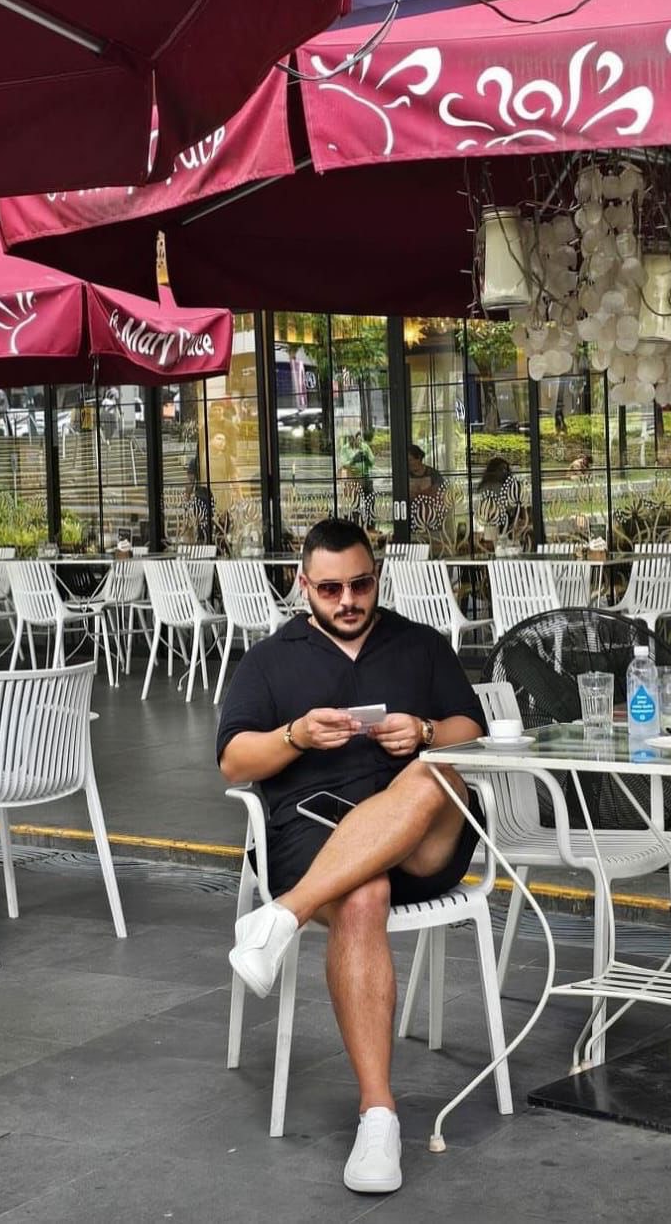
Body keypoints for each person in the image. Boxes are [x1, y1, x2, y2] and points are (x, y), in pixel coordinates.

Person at [218, 518, 486, 1195]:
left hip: (422, 838)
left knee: (430, 774)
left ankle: (282, 917)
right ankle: (379, 1116)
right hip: (312, 832)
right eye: (330, 588)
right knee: (363, 893)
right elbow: (234, 761)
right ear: (302, 584)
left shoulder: (419, 643)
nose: (347, 600)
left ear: (377, 577)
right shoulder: (270, 659)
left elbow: (470, 728)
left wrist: (425, 729)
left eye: (361, 585)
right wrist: (296, 735)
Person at [406, 444, 446, 522]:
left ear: (419, 458)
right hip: (411, 518)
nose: (409, 463)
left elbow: (441, 493)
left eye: (410, 460)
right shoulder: (405, 475)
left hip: (431, 517)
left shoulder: (433, 474)